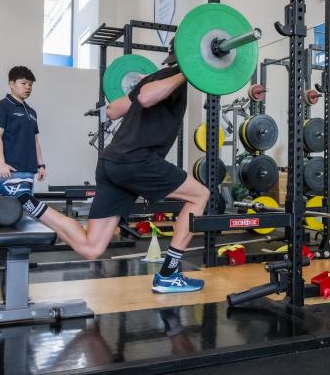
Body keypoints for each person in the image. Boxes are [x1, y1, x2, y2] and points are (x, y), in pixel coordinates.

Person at [17, 40, 211, 294]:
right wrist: (188, 71)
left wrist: (143, 81)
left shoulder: (151, 78)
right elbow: (146, 97)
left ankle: (28, 202)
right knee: (200, 195)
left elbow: (112, 110)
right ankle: (169, 273)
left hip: (111, 162)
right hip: (136, 160)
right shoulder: (174, 76)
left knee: (91, 248)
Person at [0, 66, 47, 196]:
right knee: (5, 214)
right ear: (11, 84)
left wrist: (41, 165)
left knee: (25, 213)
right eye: (24, 83)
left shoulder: (31, 112)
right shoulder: (1, 107)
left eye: (30, 85)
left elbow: (35, 140)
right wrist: (2, 164)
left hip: (28, 172)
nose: (28, 87)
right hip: (8, 171)